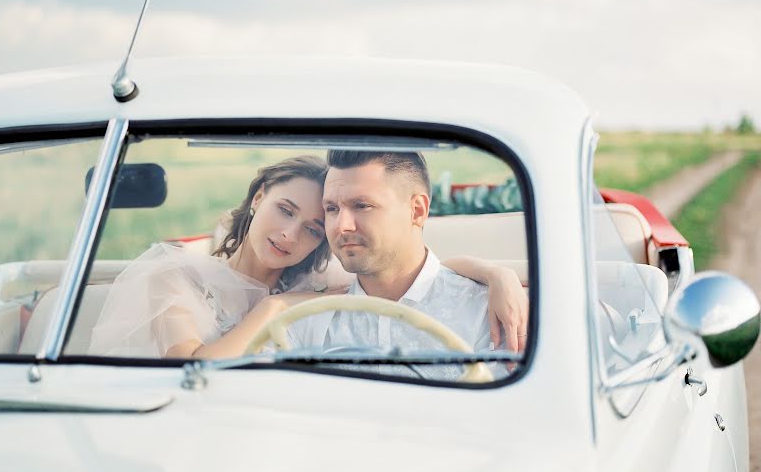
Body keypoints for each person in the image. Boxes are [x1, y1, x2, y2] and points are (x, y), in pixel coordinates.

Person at [89, 153, 527, 359]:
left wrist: (495, 274)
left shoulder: (316, 288)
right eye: (285, 210)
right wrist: (275, 307)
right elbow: (191, 372)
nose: (289, 234)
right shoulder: (180, 276)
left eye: (313, 228)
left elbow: (404, 271)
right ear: (259, 197)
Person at [285, 150, 527, 380]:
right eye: (331, 209)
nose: (341, 226)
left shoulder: (485, 310)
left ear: (417, 210)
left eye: (362, 205)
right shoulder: (309, 316)